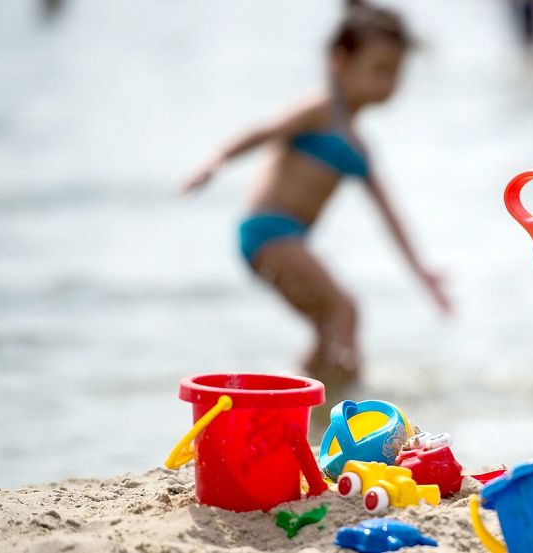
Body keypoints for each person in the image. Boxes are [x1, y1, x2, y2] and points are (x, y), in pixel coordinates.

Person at [180, 0, 451, 391]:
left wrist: (422, 274)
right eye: (379, 69)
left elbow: (390, 217)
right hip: (268, 231)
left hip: (287, 239)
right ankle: (348, 403)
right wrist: (216, 160)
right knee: (345, 309)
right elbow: (265, 130)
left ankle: (293, 405)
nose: (388, 82)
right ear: (339, 61)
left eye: (395, 72)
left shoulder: (358, 145)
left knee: (329, 326)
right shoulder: (320, 109)